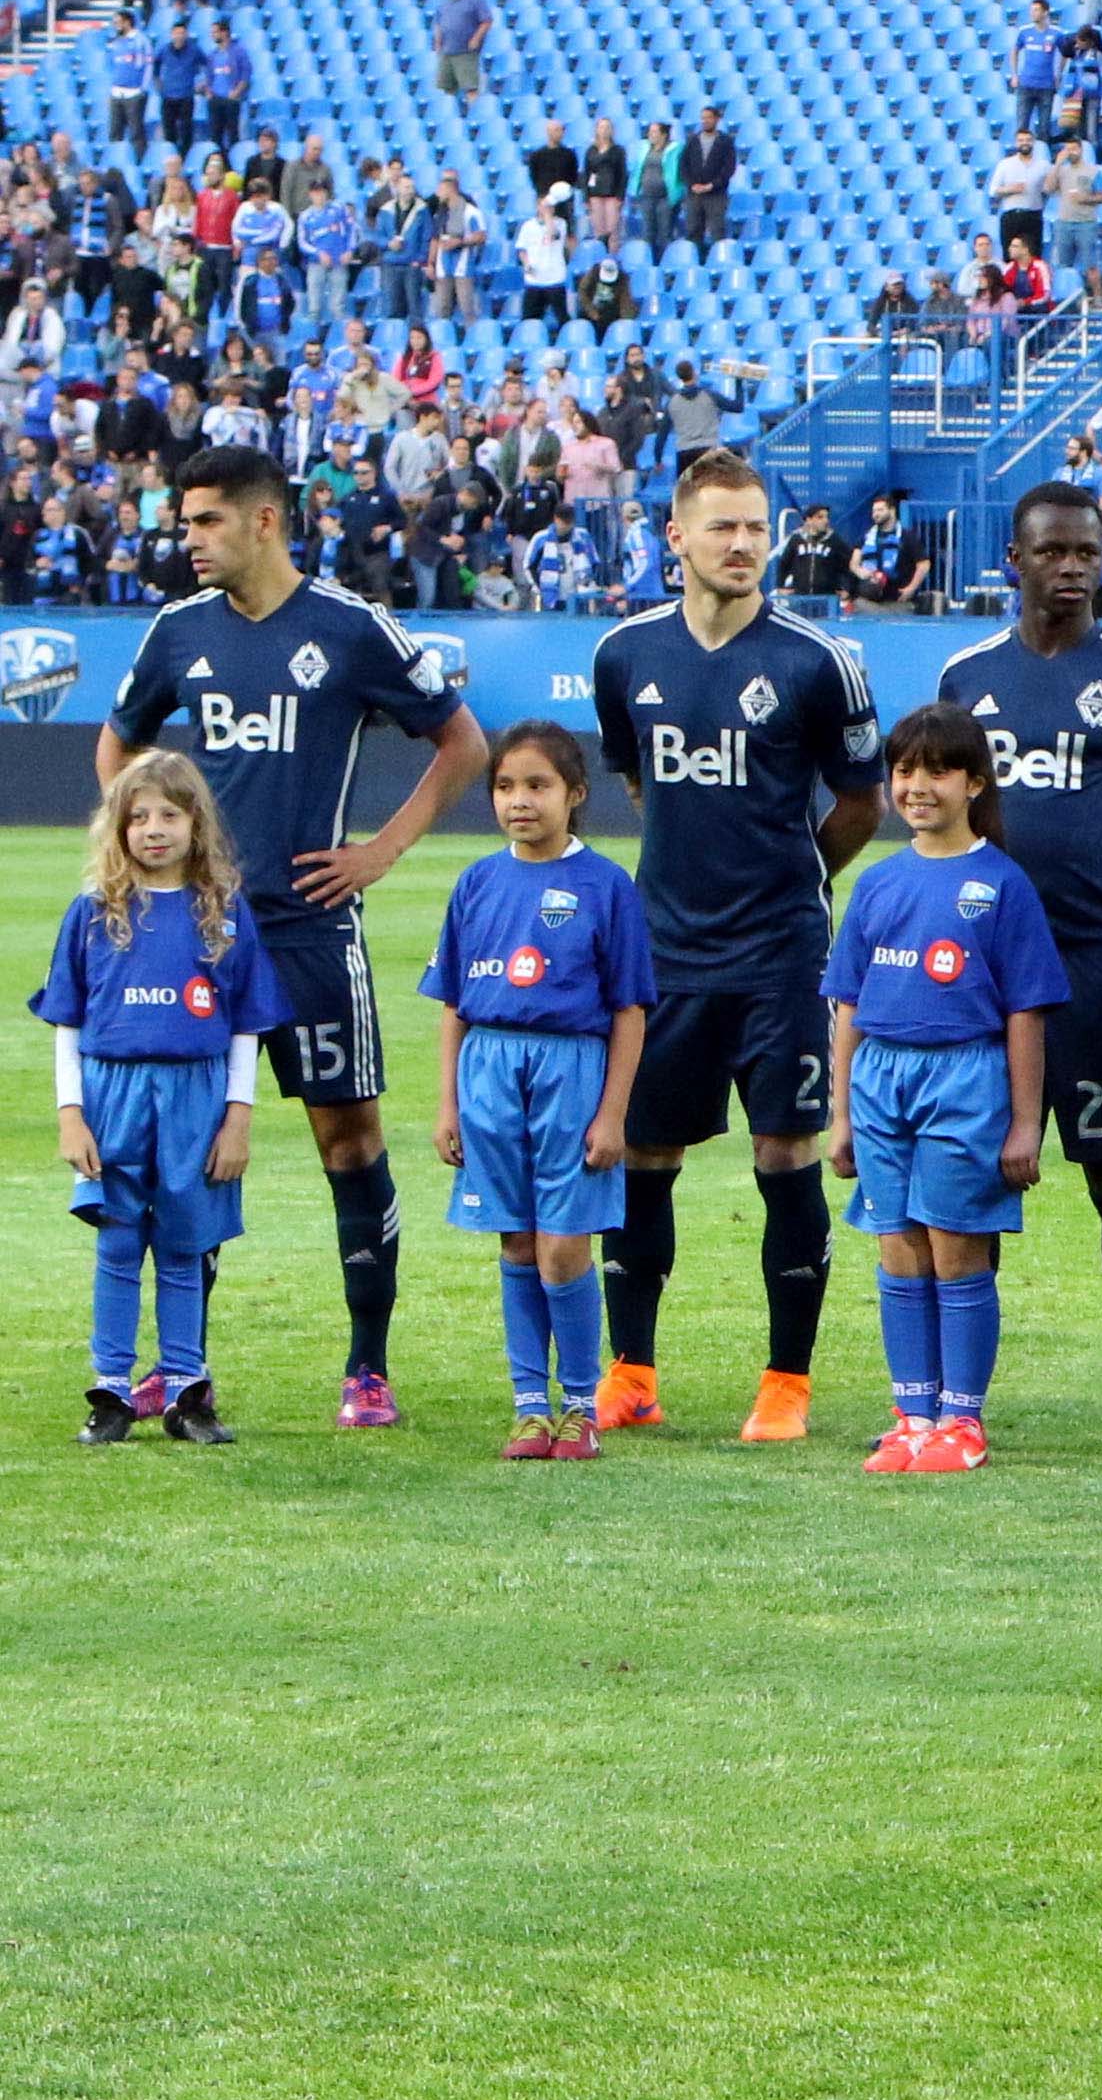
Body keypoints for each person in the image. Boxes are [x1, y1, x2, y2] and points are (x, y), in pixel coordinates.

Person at [97, 444, 487, 1430]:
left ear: (263, 521)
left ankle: (368, 1367)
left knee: (346, 1139)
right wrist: (143, 853)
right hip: (203, 938)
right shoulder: (178, 631)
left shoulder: (351, 630)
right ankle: (182, 1370)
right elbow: (122, 739)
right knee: (190, 1149)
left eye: (204, 522)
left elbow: (464, 741)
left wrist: (382, 850)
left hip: (313, 931)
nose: (187, 540)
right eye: (185, 523)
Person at [588, 451, 885, 1444]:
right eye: (722, 526)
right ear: (675, 537)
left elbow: (857, 804)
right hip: (665, 950)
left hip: (781, 953)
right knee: (643, 1152)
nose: (745, 544)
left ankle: (786, 1385)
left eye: (756, 526)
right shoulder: (626, 656)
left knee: (784, 1150)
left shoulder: (814, 662)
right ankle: (629, 1372)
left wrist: (793, 876)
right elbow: (636, 779)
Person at [940, 486, 1102, 1454]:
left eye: (1089, 552)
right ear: (1015, 559)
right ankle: (960, 1399)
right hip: (981, 974)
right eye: (1053, 553)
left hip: (1093, 967)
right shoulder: (968, 677)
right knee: (971, 1183)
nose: (1074, 568)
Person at [824, 705, 1069, 1473]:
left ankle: (963, 1420)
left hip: (966, 1074)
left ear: (974, 782)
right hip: (881, 1080)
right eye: (904, 771)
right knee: (897, 1246)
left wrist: (1025, 1122)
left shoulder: (1002, 884)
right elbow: (848, 1006)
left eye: (937, 770)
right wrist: (840, 1115)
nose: (917, 786)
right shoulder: (877, 883)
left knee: (955, 1245)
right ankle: (913, 1411)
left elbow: (1026, 1010)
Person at [420, 722, 654, 1462]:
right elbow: (454, 1003)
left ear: (575, 794)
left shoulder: (606, 885)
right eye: (505, 786)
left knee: (562, 1249)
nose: (520, 801)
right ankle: (529, 1405)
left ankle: (581, 1404)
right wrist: (449, 1103)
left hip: (572, 1072)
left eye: (537, 785)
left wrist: (613, 1112)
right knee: (517, 1239)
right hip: (490, 1069)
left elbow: (629, 1009)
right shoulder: (478, 881)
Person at [41, 752, 287, 1445]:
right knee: (118, 1242)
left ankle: (185, 1388)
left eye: (169, 814)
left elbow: (245, 1023)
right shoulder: (93, 912)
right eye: (138, 815)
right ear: (116, 827)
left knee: (184, 1246)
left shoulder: (225, 911)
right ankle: (112, 1390)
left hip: (196, 1094)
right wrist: (71, 1112)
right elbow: (68, 1020)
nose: (154, 829)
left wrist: (238, 1116)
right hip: (113, 1091)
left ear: (196, 823)